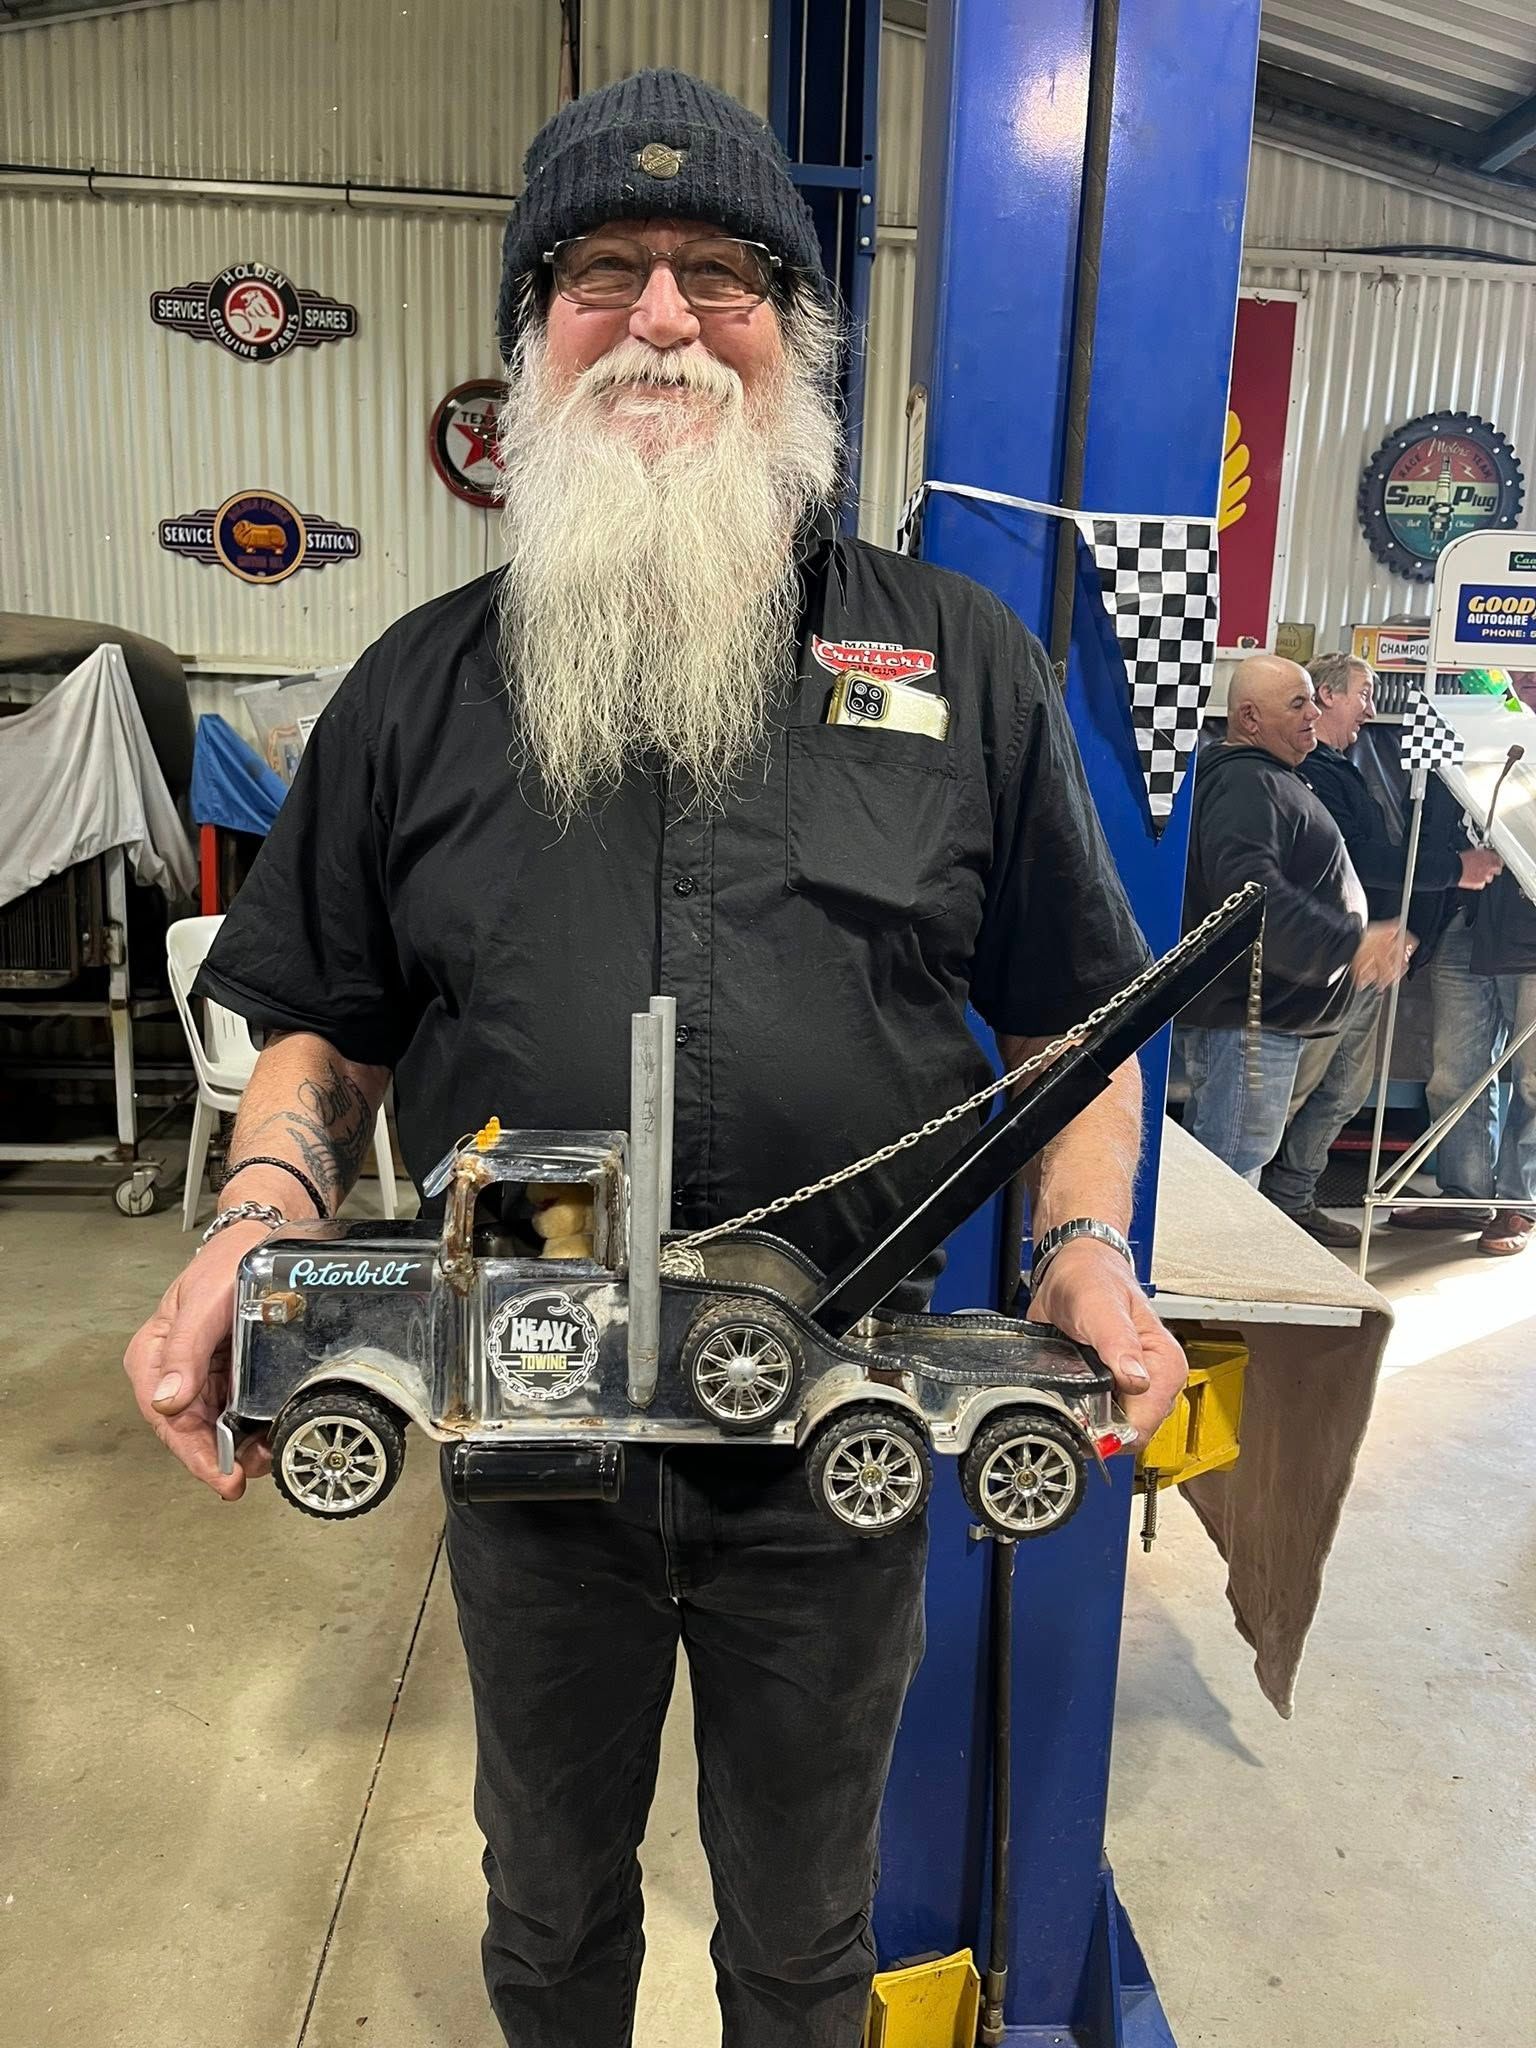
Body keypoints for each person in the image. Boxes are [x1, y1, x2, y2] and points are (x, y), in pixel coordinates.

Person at [122, 70, 1188, 2048]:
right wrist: (259, 1213)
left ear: (798, 334)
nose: (667, 319)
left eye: (724, 276)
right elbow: (325, 1022)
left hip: (830, 1426)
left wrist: (1085, 1247)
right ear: (534, 338)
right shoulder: (419, 688)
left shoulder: (961, 667)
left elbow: (1074, 1029)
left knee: (801, 1931)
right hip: (531, 1431)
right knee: (546, 1908)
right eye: (604, 273)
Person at [1259, 652, 1501, 1247]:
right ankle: (1259, 1207)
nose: (1371, 709)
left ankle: (1290, 1198)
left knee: (1343, 1088)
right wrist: (1453, 870)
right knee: (1297, 1089)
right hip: (1324, 958)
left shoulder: (1341, 769)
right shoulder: (1307, 771)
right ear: (1327, 695)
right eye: (1363, 694)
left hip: (1360, 953)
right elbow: (1358, 857)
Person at [1176, 654, 1410, 1186]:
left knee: (1238, 1166)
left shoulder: (1269, 777)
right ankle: (1216, 1272)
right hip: (1248, 1018)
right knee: (1229, 1178)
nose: (1313, 713)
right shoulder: (1246, 784)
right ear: (1251, 718)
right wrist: (1349, 943)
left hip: (1260, 1018)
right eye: (1297, 703)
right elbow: (1249, 896)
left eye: (1312, 699)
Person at [1392, 869, 1536, 1255]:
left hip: (1530, 915)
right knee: (1452, 1075)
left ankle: (1519, 1203)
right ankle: (1465, 1195)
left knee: (1533, 1080)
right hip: (1463, 914)